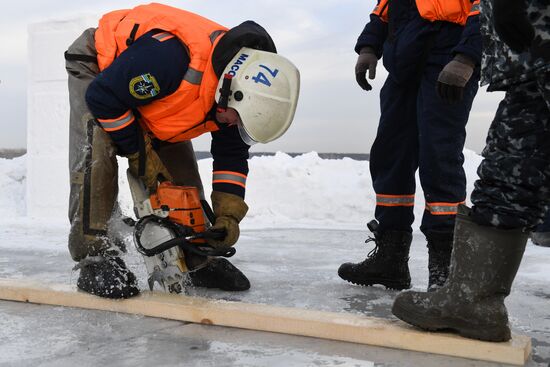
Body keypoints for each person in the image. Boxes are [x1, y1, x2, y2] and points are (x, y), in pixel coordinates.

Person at [64, 3, 300, 299]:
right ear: (231, 92)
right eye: (237, 120)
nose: (234, 126)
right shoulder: (172, 59)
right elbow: (103, 98)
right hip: (101, 68)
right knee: (97, 147)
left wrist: (228, 215)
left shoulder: (238, 95)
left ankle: (194, 255)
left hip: (155, 90)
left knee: (179, 166)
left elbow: (232, 157)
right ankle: (94, 258)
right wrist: (140, 154)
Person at [392, 0, 549, 342]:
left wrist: (466, 54)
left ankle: (470, 297)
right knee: (508, 168)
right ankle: (474, 302)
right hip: (526, 58)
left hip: (536, 37)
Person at [338, 0, 481, 291]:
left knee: (438, 157)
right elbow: (386, 8)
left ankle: (445, 277)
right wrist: (369, 46)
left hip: (448, 55)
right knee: (390, 156)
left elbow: (487, 6)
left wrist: (467, 56)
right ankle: (391, 258)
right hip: (405, 60)